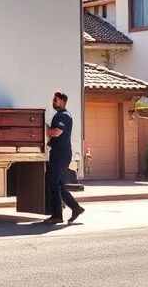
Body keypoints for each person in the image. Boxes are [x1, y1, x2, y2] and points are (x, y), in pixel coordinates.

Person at [45, 91, 85, 224]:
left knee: (54, 183)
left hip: (60, 155)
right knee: (59, 185)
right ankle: (76, 208)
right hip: (58, 154)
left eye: (55, 100)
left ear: (62, 101)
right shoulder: (59, 115)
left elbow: (57, 132)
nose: (53, 102)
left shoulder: (64, 116)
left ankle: (57, 215)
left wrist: (45, 130)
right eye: (53, 99)